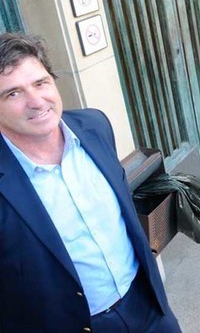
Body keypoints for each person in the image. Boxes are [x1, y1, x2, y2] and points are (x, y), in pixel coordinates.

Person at [0, 32, 181, 332]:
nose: (36, 101)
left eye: (40, 83)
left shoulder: (95, 125)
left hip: (149, 307)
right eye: (13, 94)